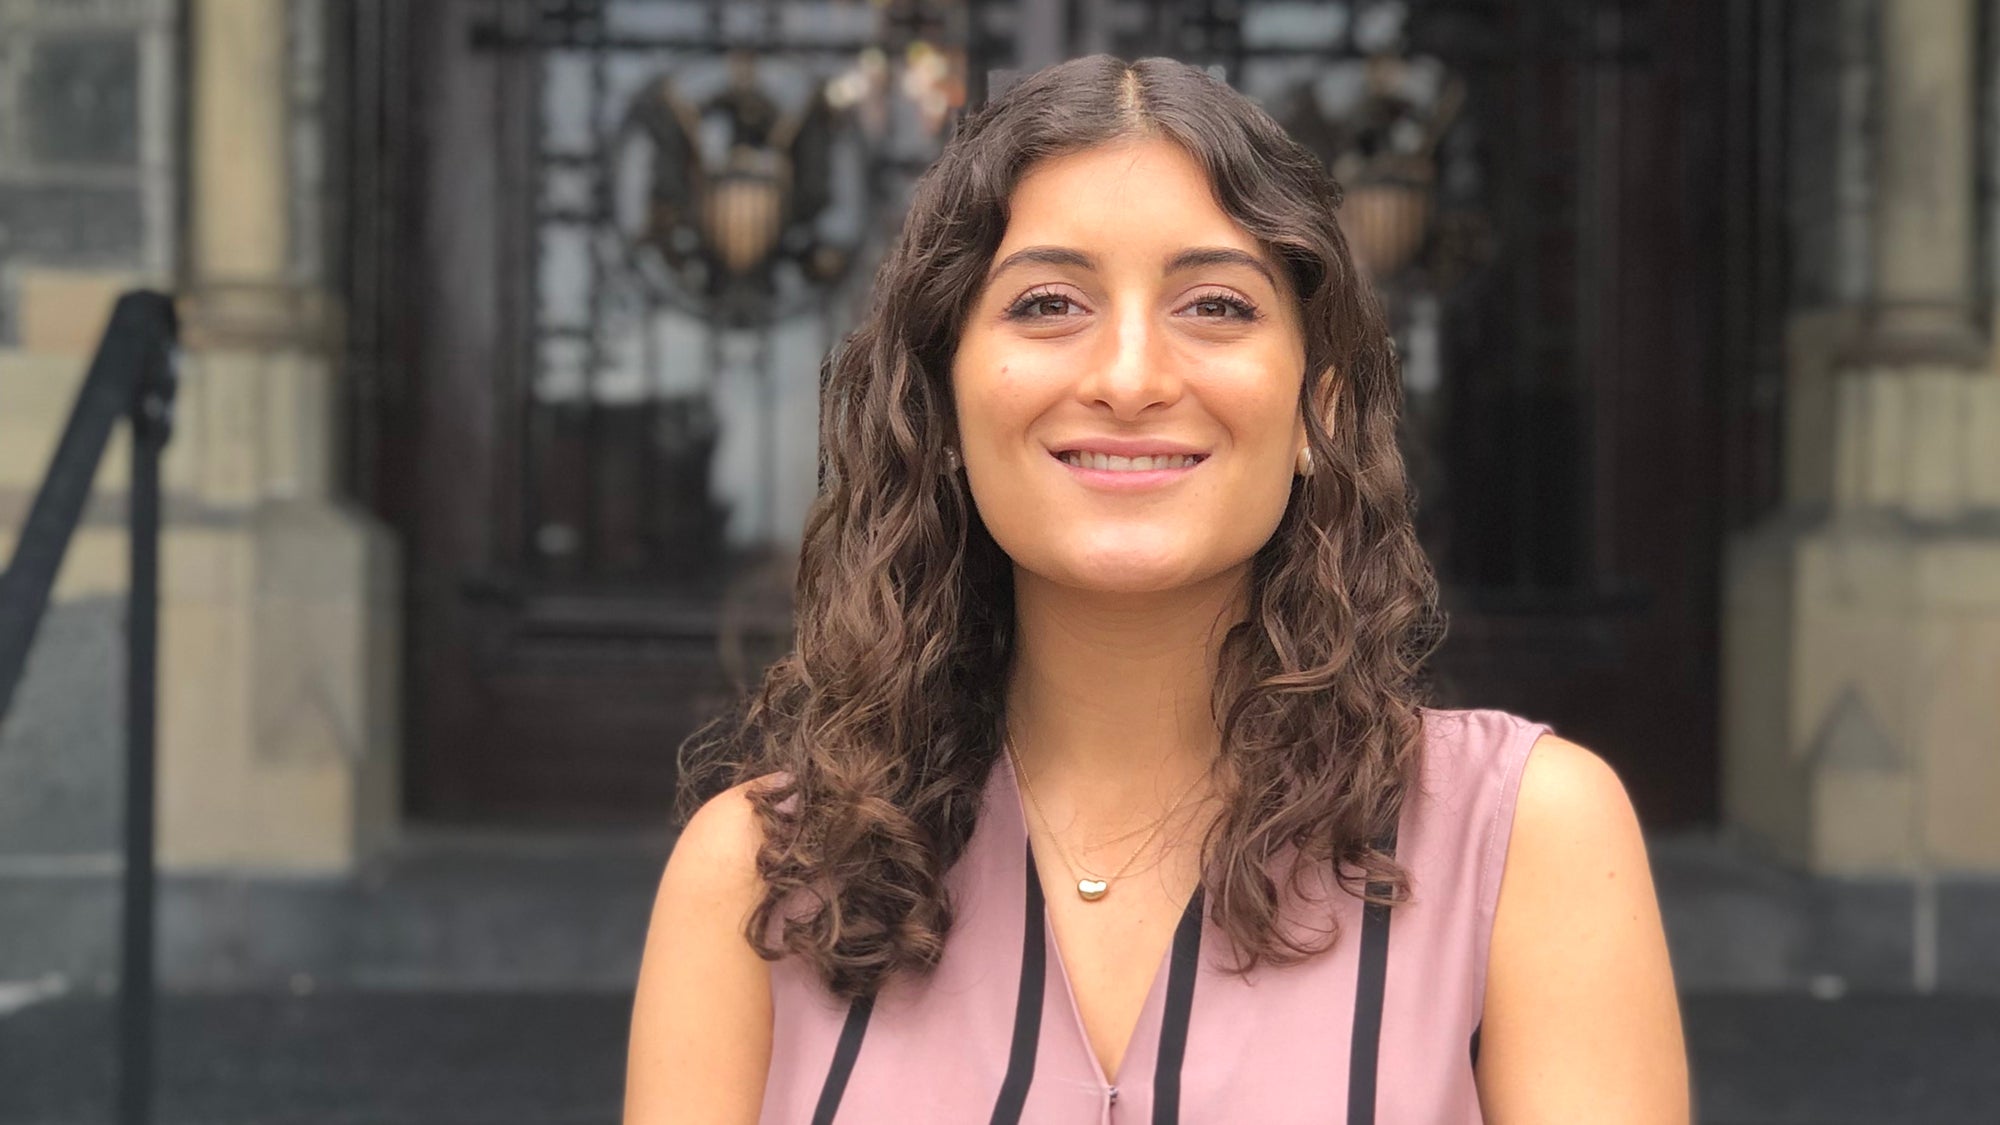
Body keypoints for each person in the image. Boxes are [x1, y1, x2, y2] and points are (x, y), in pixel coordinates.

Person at [625, 54, 1687, 1124]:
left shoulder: (1522, 843)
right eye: (1046, 303)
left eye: (1215, 305)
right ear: (941, 410)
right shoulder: (759, 879)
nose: (1129, 377)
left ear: (1316, 407)